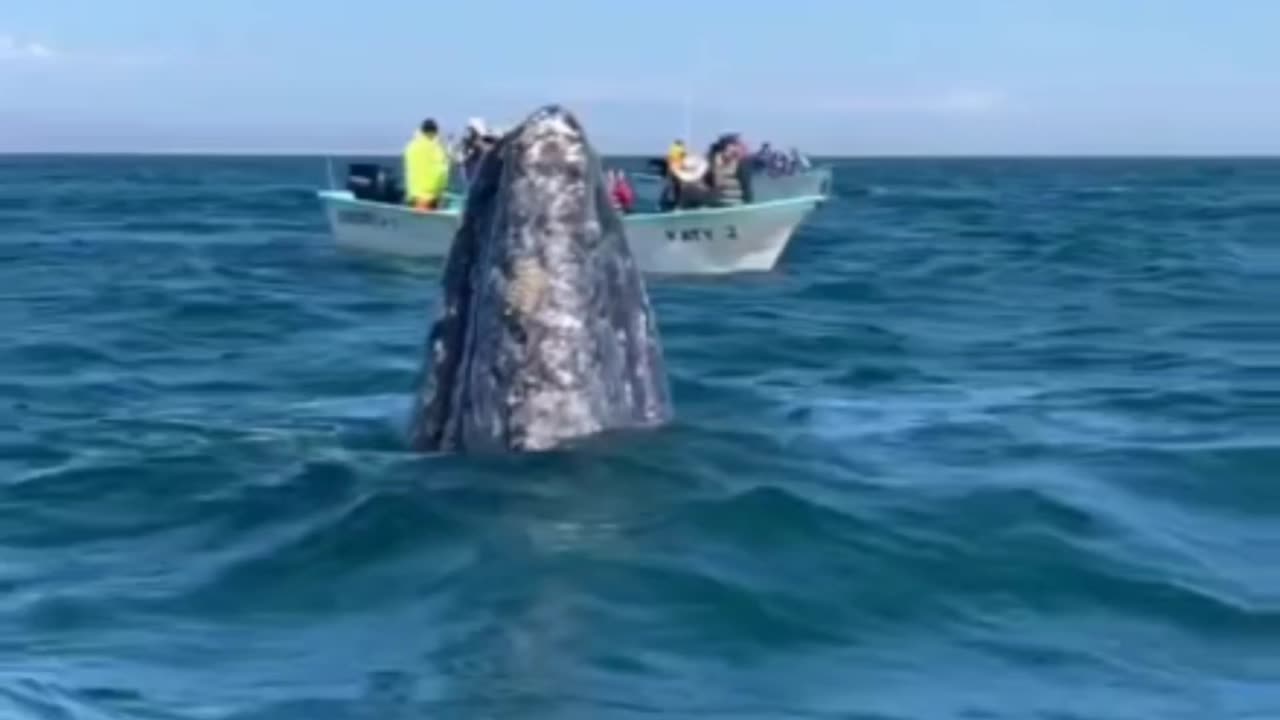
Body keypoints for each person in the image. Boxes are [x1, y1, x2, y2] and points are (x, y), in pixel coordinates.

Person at [403, 118, 450, 210]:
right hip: (430, 198)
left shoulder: (410, 147)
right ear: (435, 132)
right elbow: (441, 173)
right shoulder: (436, 149)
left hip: (413, 196)